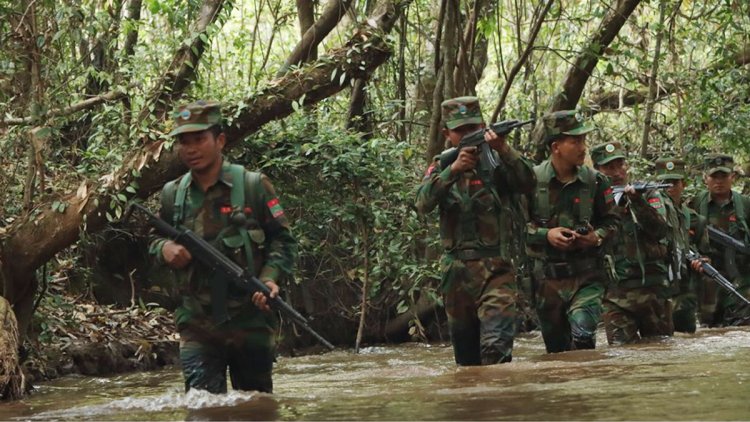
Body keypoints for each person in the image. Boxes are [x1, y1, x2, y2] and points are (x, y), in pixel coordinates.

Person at [149, 100, 297, 393]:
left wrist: (269, 278)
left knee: (255, 409)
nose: (191, 149)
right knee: (202, 409)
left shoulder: (254, 185)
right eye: (184, 142)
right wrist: (164, 249)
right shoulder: (172, 195)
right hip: (197, 323)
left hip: (250, 321)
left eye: (199, 139)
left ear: (220, 140)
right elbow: (153, 239)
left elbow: (283, 239)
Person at [415, 96, 535, 365]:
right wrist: (453, 171)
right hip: (456, 275)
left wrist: (503, 149)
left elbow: (528, 182)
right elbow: (422, 203)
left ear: (482, 126)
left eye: (473, 128)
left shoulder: (497, 159)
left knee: (496, 349)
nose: (468, 135)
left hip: (496, 270)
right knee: (466, 362)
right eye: (460, 130)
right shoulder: (442, 165)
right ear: (447, 134)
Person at [526, 110, 619, 353]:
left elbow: (613, 223)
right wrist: (546, 235)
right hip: (547, 280)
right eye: (575, 141)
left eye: (584, 141)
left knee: (584, 331)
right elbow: (515, 227)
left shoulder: (597, 182)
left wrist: (595, 237)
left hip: (587, 276)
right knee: (557, 352)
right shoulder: (531, 181)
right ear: (556, 146)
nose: (583, 148)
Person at [592, 142, 673, 344]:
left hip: (653, 292)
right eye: (609, 167)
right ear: (598, 170)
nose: (617, 172)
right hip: (615, 294)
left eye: (620, 165)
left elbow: (660, 229)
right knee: (621, 356)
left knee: (661, 353)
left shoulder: (648, 194)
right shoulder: (593, 199)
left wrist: (637, 202)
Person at [690, 154, 750, 326]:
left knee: (741, 328)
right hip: (708, 279)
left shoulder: (745, 205)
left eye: (723, 176)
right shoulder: (695, 204)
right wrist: (696, 258)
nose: (719, 181)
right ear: (705, 179)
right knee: (708, 330)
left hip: (742, 279)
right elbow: (683, 237)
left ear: (732, 177)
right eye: (714, 177)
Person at [655, 157, 708, 333]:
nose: (669, 188)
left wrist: (701, 262)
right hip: (657, 288)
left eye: (674, 182)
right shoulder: (648, 216)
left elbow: (705, 252)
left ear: (682, 184)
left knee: (685, 338)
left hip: (684, 291)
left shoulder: (694, 220)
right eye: (664, 183)